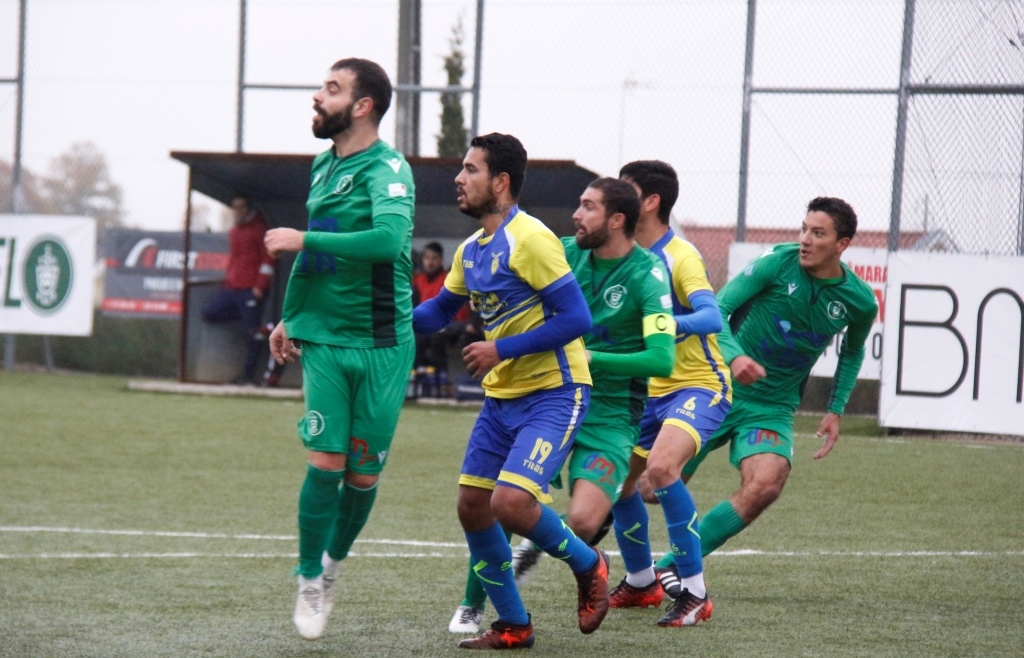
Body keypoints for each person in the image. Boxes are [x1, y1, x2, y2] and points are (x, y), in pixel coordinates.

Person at [447, 177, 677, 635]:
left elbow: (662, 359)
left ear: (617, 220)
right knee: (495, 498)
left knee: (583, 521)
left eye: (588, 207)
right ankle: (474, 603)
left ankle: (583, 561)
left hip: (610, 413)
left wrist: (594, 358)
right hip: (547, 394)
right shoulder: (561, 251)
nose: (576, 214)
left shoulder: (649, 274)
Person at [413, 133, 609, 650]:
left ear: (500, 182)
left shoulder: (532, 239)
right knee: (472, 506)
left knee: (512, 502)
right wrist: (384, 318)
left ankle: (589, 564)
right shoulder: (471, 250)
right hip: (502, 400)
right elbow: (439, 311)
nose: (459, 178)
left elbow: (577, 318)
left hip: (555, 392)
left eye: (470, 169)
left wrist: (501, 349)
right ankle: (513, 625)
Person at [649, 196, 878, 595]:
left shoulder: (859, 301)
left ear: (842, 244)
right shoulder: (777, 263)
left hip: (771, 407)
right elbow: (719, 309)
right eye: (804, 229)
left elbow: (853, 351)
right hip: (715, 388)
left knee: (767, 483)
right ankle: (587, 531)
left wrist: (836, 409)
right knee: (650, 487)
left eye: (818, 233)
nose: (805, 239)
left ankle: (669, 566)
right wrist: (735, 357)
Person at [262, 57, 416, 641]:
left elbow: (389, 241)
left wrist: (302, 237)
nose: (317, 96)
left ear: (362, 106)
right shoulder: (323, 164)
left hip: (382, 342)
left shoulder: (389, 168)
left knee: (362, 477)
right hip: (325, 338)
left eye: (331, 89)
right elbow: (319, 255)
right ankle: (308, 577)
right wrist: (292, 314)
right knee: (325, 461)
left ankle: (331, 566)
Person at [601, 160, 731, 628]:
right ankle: (641, 582)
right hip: (648, 392)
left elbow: (712, 317)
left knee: (660, 469)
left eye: (627, 189)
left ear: (651, 202)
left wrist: (663, 323)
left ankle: (695, 593)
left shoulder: (681, 256)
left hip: (699, 384)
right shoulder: (626, 258)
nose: (615, 196)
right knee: (617, 481)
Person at [201, 195, 275, 385]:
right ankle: (257, 324)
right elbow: (234, 259)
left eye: (241, 207)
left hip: (251, 290)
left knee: (252, 334)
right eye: (234, 207)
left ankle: (248, 378)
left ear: (249, 209)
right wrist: (227, 281)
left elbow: (269, 258)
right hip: (232, 289)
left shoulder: (260, 229)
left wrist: (260, 285)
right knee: (210, 313)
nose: (237, 211)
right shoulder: (234, 231)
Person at [411, 241, 452, 396]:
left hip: (446, 325)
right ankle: (415, 382)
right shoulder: (417, 280)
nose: (430, 262)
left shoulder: (448, 280)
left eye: (434, 258)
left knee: (437, 338)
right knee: (414, 338)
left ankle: (440, 383)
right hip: (423, 326)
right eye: (427, 258)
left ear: (441, 260)